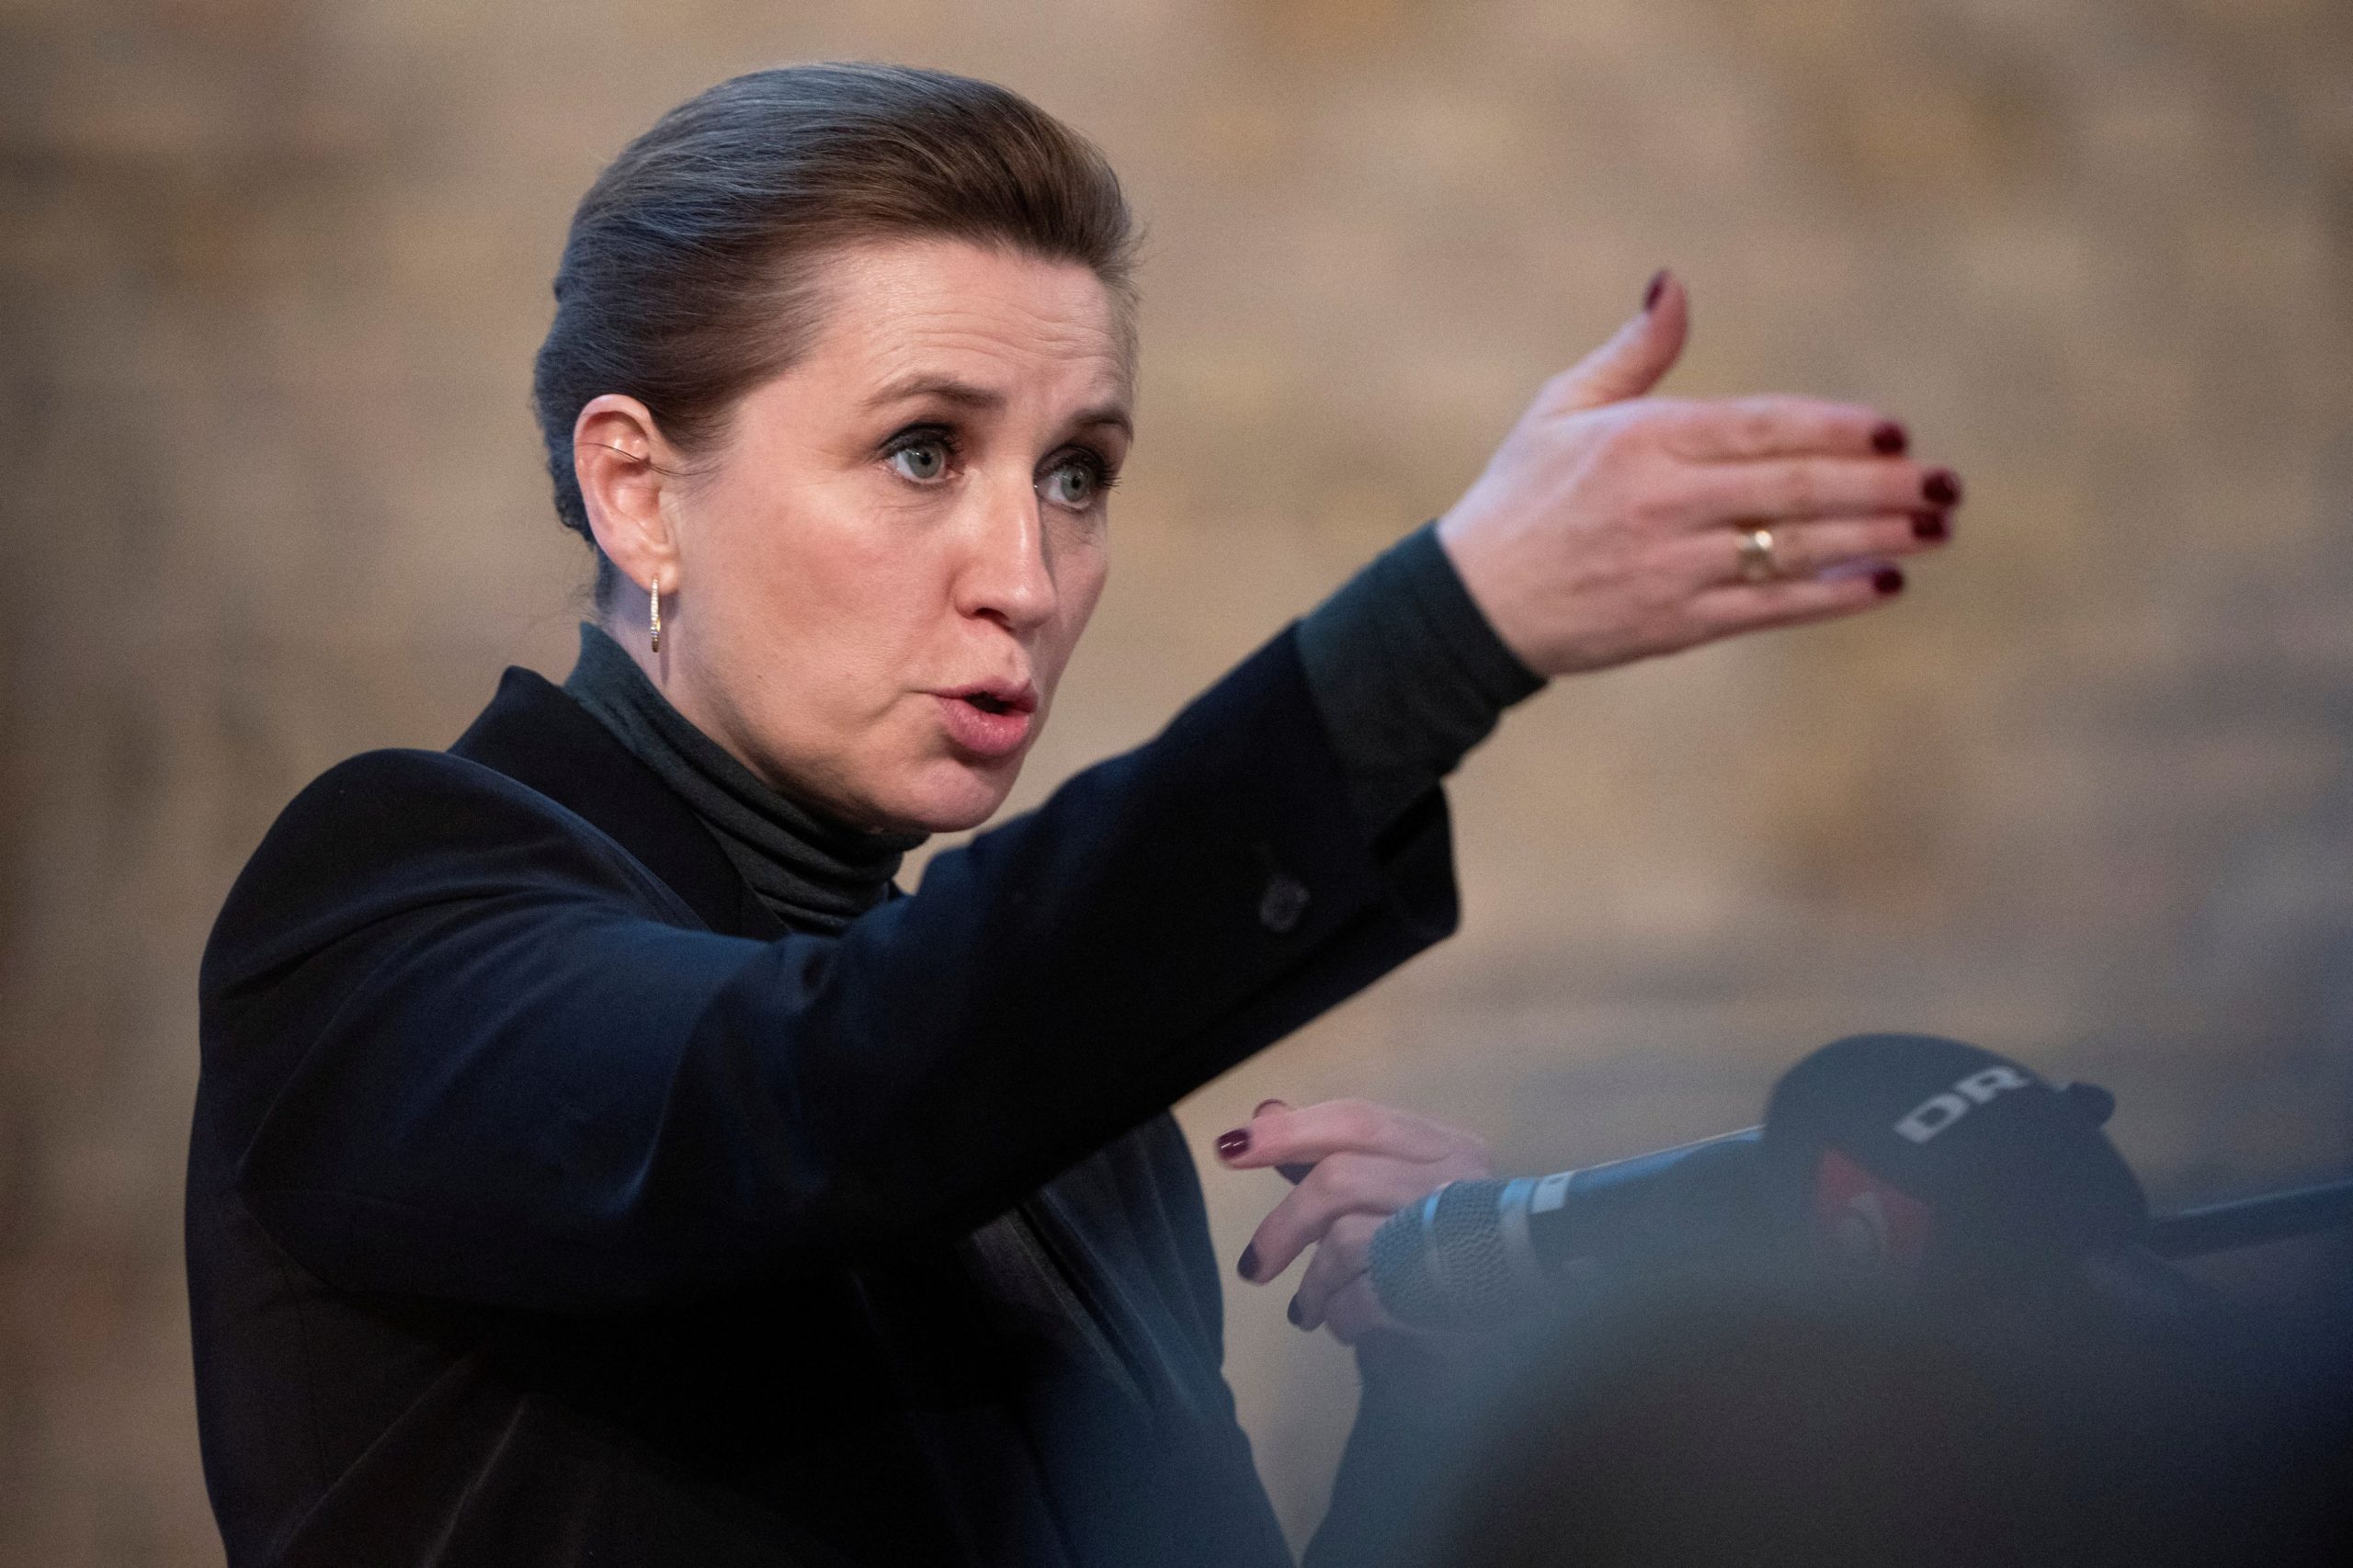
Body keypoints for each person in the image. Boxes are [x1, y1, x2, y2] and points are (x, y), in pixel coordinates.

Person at [185, 62, 1960, 1568]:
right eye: (921, 450)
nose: (1026, 576)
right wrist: (1444, 632)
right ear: (639, 493)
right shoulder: (387, 903)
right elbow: (809, 1088)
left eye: (1077, 473)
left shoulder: (1076, 1143)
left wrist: (1440, 1395)